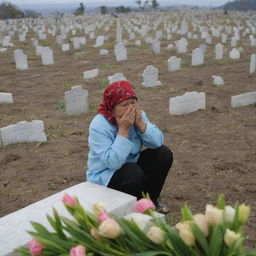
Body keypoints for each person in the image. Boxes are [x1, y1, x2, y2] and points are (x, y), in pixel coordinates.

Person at [86, 80, 173, 214]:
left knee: (163, 154)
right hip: (106, 174)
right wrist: (123, 130)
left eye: (133, 103)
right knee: (132, 173)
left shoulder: (139, 115)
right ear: (112, 107)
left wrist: (140, 123)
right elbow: (113, 162)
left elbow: (157, 142)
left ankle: (150, 201)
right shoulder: (99, 125)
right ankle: (135, 208)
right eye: (124, 105)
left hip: (131, 165)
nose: (130, 108)